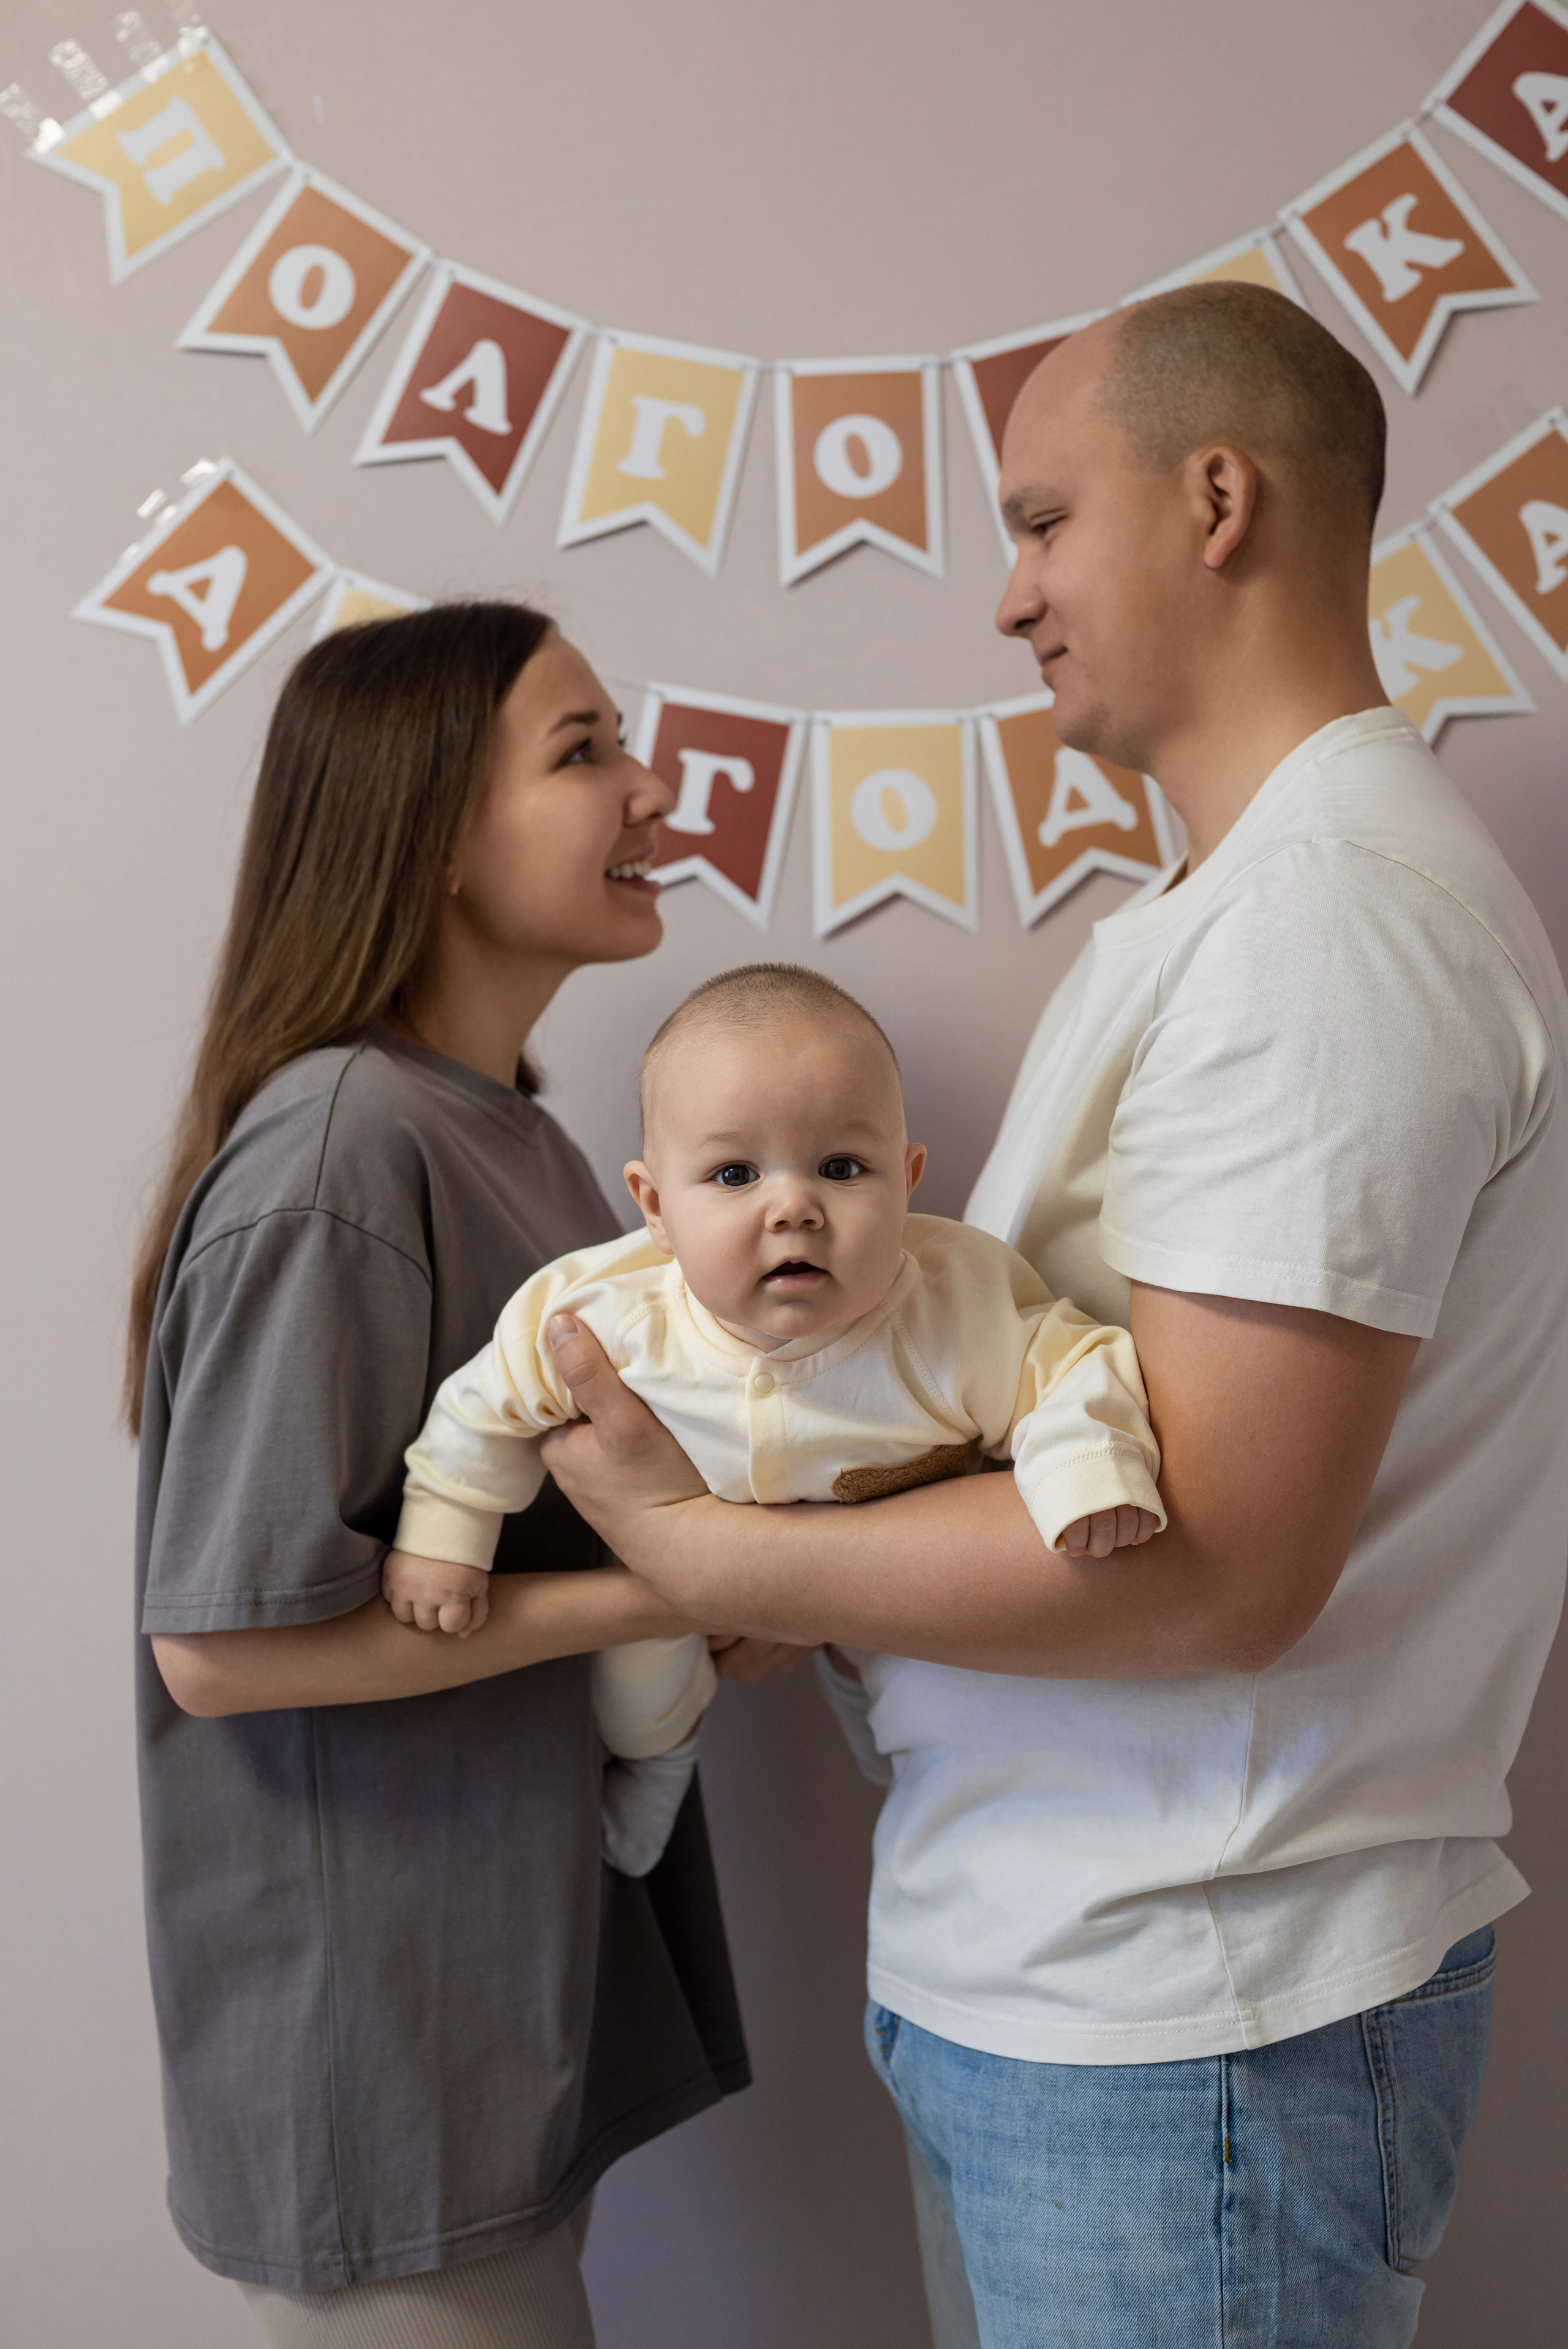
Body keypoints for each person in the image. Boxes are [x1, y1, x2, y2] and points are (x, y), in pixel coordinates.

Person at [526, 282, 1568, 2348]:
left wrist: (710, 1547)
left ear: (1214, 500)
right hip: (1075, 1987)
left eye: (1038, 522)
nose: (1008, 598)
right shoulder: (1216, 917)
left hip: (1189, 2021)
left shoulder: (1324, 934)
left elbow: (1224, 1564)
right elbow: (1051, 1431)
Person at [129, 603, 764, 2349]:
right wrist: (674, 1592)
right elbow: (225, 1644)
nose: (651, 790)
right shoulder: (347, 1148)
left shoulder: (516, 1132)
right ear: (435, 835)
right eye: (585, 752)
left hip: (490, 2029)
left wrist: (727, 1607)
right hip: (374, 2076)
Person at [382, 961, 1164, 1873]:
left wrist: (1086, 1474)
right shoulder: (608, 1314)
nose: (793, 1206)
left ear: (907, 1181)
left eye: (841, 1167)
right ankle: (660, 1765)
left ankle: (889, 1736)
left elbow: (1070, 1364)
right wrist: (446, 1533)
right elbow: (485, 1405)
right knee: (636, 1695)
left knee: (927, 1681)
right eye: (732, 1173)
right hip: (674, 1586)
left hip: (892, 1568)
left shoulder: (953, 1304)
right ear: (655, 1207)